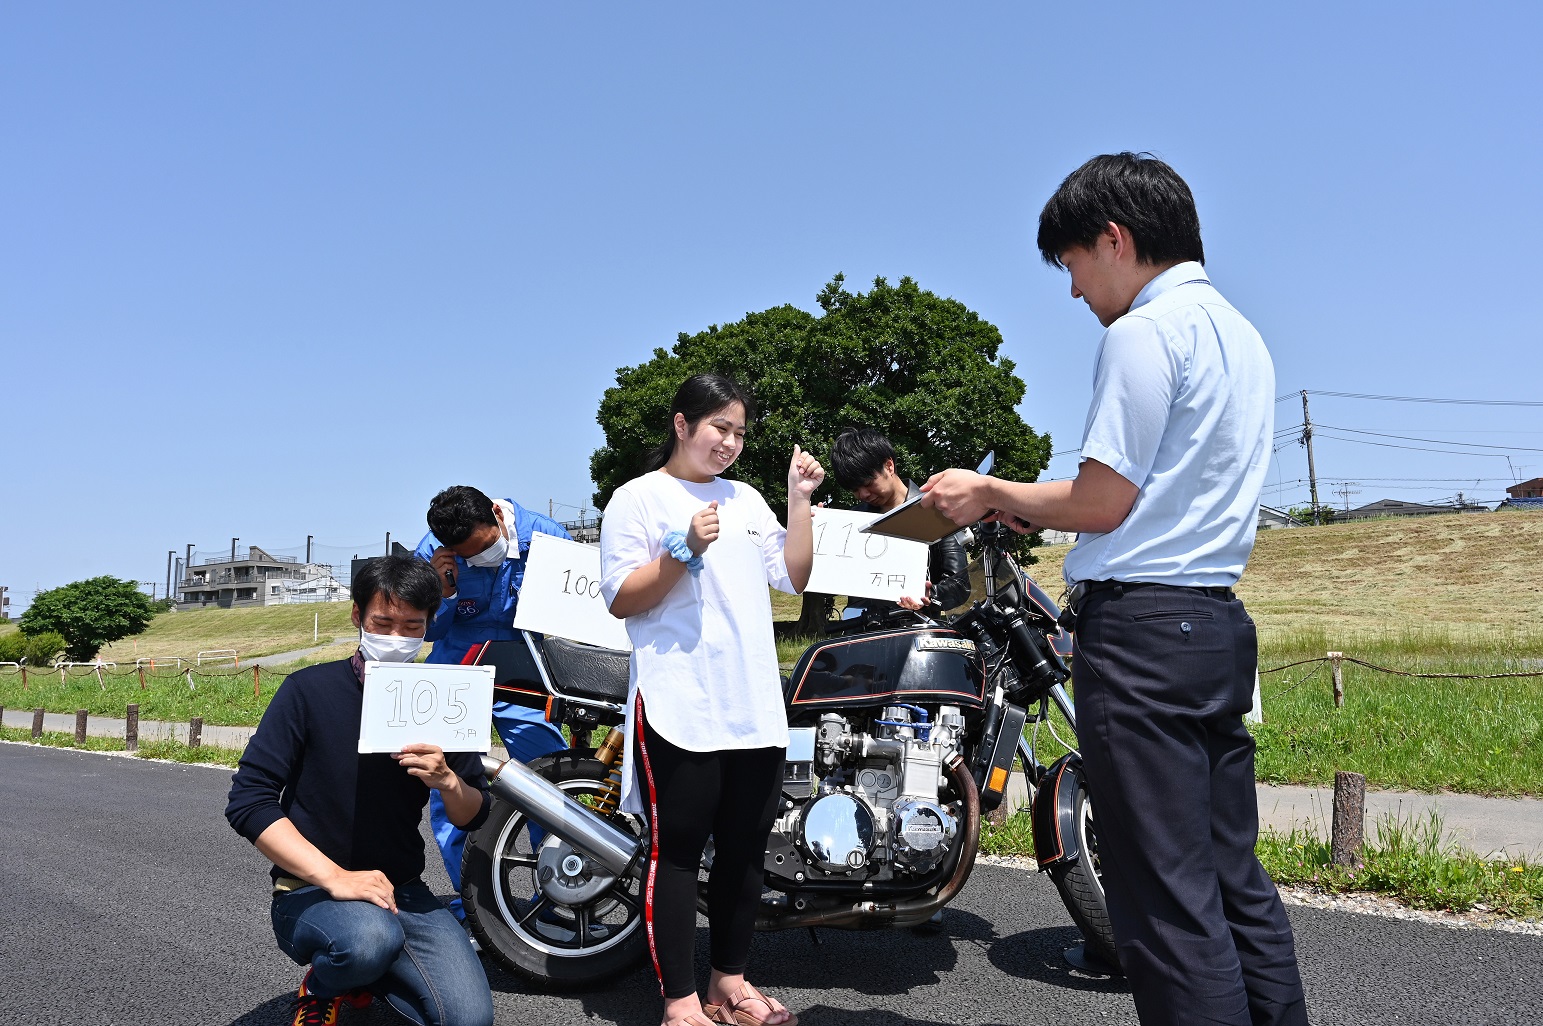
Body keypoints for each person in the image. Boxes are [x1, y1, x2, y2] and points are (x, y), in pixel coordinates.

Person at [921, 153, 1308, 1026]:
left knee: (1164, 899)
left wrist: (987, 493)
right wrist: (1039, 510)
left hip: (1138, 635)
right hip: (1213, 625)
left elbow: (1104, 499)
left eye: (1070, 266)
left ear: (1113, 238)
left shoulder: (1138, 332)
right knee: (1230, 878)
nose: (1072, 291)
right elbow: (1157, 498)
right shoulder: (1241, 335)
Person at [599, 373, 822, 1026]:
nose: (729, 442)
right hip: (679, 703)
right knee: (679, 850)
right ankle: (679, 1002)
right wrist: (682, 551)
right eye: (719, 428)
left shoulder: (748, 499)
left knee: (746, 848)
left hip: (751, 701)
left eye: (739, 432)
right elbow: (620, 599)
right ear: (681, 424)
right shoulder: (636, 500)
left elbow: (795, 575)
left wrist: (798, 498)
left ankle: (729, 984)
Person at [224, 556, 495, 1026]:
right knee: (367, 942)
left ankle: (371, 973)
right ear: (357, 617)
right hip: (310, 889)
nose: (396, 637)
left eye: (412, 626)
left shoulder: (442, 698)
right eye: (382, 622)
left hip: (400, 891)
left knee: (469, 1019)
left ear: (429, 626)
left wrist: (448, 780)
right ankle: (326, 983)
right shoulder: (308, 690)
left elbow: (474, 814)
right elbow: (249, 799)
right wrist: (335, 877)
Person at [413, 485, 573, 921]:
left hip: (525, 670)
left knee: (552, 779)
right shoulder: (430, 550)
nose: (481, 559)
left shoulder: (548, 536)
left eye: (485, 549)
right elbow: (427, 631)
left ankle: (563, 891)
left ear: (498, 518)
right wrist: (443, 592)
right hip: (457, 667)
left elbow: (578, 614)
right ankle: (475, 903)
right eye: (468, 557)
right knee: (450, 786)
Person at [829, 426, 971, 617]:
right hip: (864, 636)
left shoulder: (936, 512)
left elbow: (960, 586)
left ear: (889, 466)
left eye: (868, 483)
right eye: (854, 489)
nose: (863, 494)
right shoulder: (854, 521)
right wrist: (819, 533)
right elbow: (832, 580)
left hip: (920, 632)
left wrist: (929, 595)